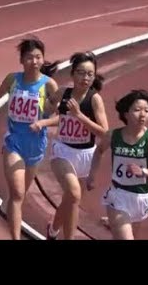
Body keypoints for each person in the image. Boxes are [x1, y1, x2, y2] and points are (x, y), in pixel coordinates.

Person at [0, 37, 59, 240]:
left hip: (35, 146)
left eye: (37, 57)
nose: (33, 62)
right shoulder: (13, 80)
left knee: (20, 195)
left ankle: (9, 201)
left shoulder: (49, 85)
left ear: (43, 60)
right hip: (14, 142)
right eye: (29, 58)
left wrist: (43, 123)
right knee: (17, 195)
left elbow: (62, 117)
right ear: (21, 60)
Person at [87, 89, 148, 240]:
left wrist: (144, 172)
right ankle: (115, 222)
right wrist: (92, 175)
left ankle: (113, 225)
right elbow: (99, 151)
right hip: (118, 195)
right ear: (126, 114)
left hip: (141, 198)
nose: (143, 114)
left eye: (147, 111)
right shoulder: (113, 135)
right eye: (137, 110)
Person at [41, 52, 108, 240]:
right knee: (73, 193)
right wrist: (46, 99)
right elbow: (47, 109)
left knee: (71, 199)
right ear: (72, 74)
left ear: (94, 76)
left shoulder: (94, 99)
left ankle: (53, 230)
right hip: (62, 151)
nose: (85, 78)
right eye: (80, 73)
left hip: (86, 155)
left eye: (89, 74)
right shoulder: (63, 93)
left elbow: (104, 132)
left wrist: (79, 116)